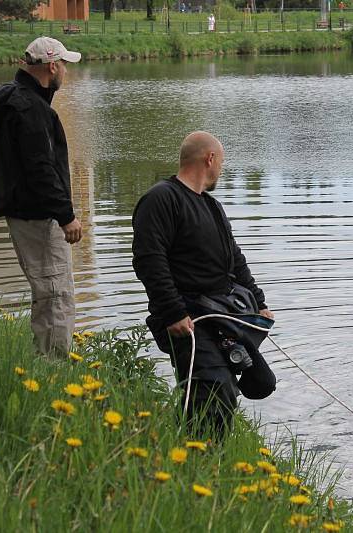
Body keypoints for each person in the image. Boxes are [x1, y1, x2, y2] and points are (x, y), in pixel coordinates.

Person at [131, 131, 276, 435]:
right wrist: (172, 312)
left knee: (259, 382)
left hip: (222, 316)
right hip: (186, 317)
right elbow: (149, 260)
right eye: (221, 162)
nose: (221, 169)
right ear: (210, 159)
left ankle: (178, 443)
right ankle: (201, 461)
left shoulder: (211, 207)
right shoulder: (161, 199)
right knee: (214, 390)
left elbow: (234, 259)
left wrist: (258, 302)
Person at [0, 36, 82, 358]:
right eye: (64, 65)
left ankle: (46, 364)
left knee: (47, 293)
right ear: (51, 66)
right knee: (56, 294)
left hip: (29, 213)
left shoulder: (20, 101)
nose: (66, 72)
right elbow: (41, 169)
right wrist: (66, 215)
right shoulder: (30, 108)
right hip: (39, 218)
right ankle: (54, 373)